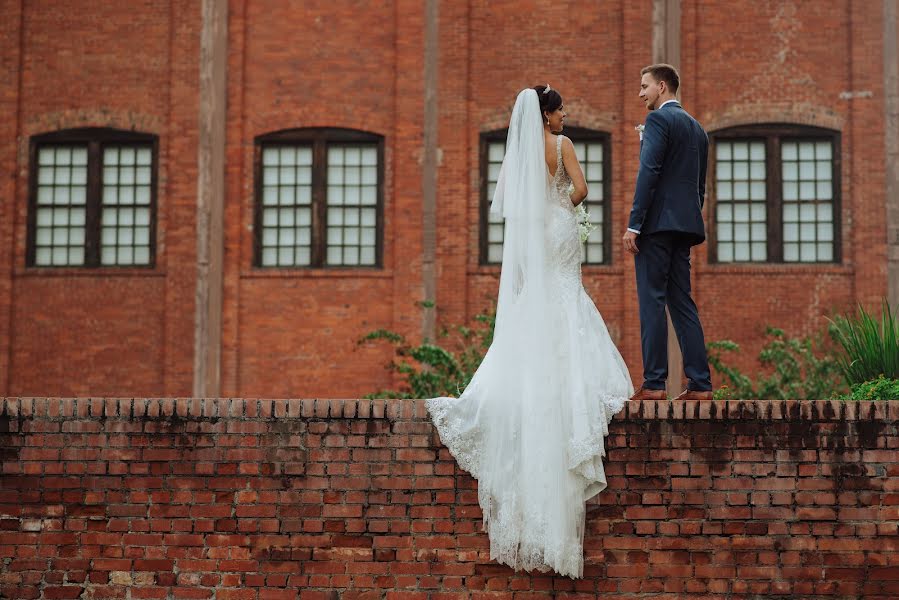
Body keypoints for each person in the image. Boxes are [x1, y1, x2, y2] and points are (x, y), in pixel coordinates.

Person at [427, 85, 632, 579]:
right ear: (546, 114)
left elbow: (516, 207)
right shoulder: (561, 146)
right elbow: (581, 190)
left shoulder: (518, 153)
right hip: (560, 226)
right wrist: (569, 198)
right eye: (561, 110)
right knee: (566, 298)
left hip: (538, 235)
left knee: (537, 303)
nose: (565, 116)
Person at [623, 64, 713, 402]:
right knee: (682, 303)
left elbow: (650, 173)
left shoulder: (658, 120)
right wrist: (688, 216)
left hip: (657, 226)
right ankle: (701, 385)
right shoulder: (697, 129)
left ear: (662, 87)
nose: (640, 92)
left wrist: (635, 224)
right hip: (685, 226)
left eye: (644, 86)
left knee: (652, 301)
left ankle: (655, 384)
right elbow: (698, 186)